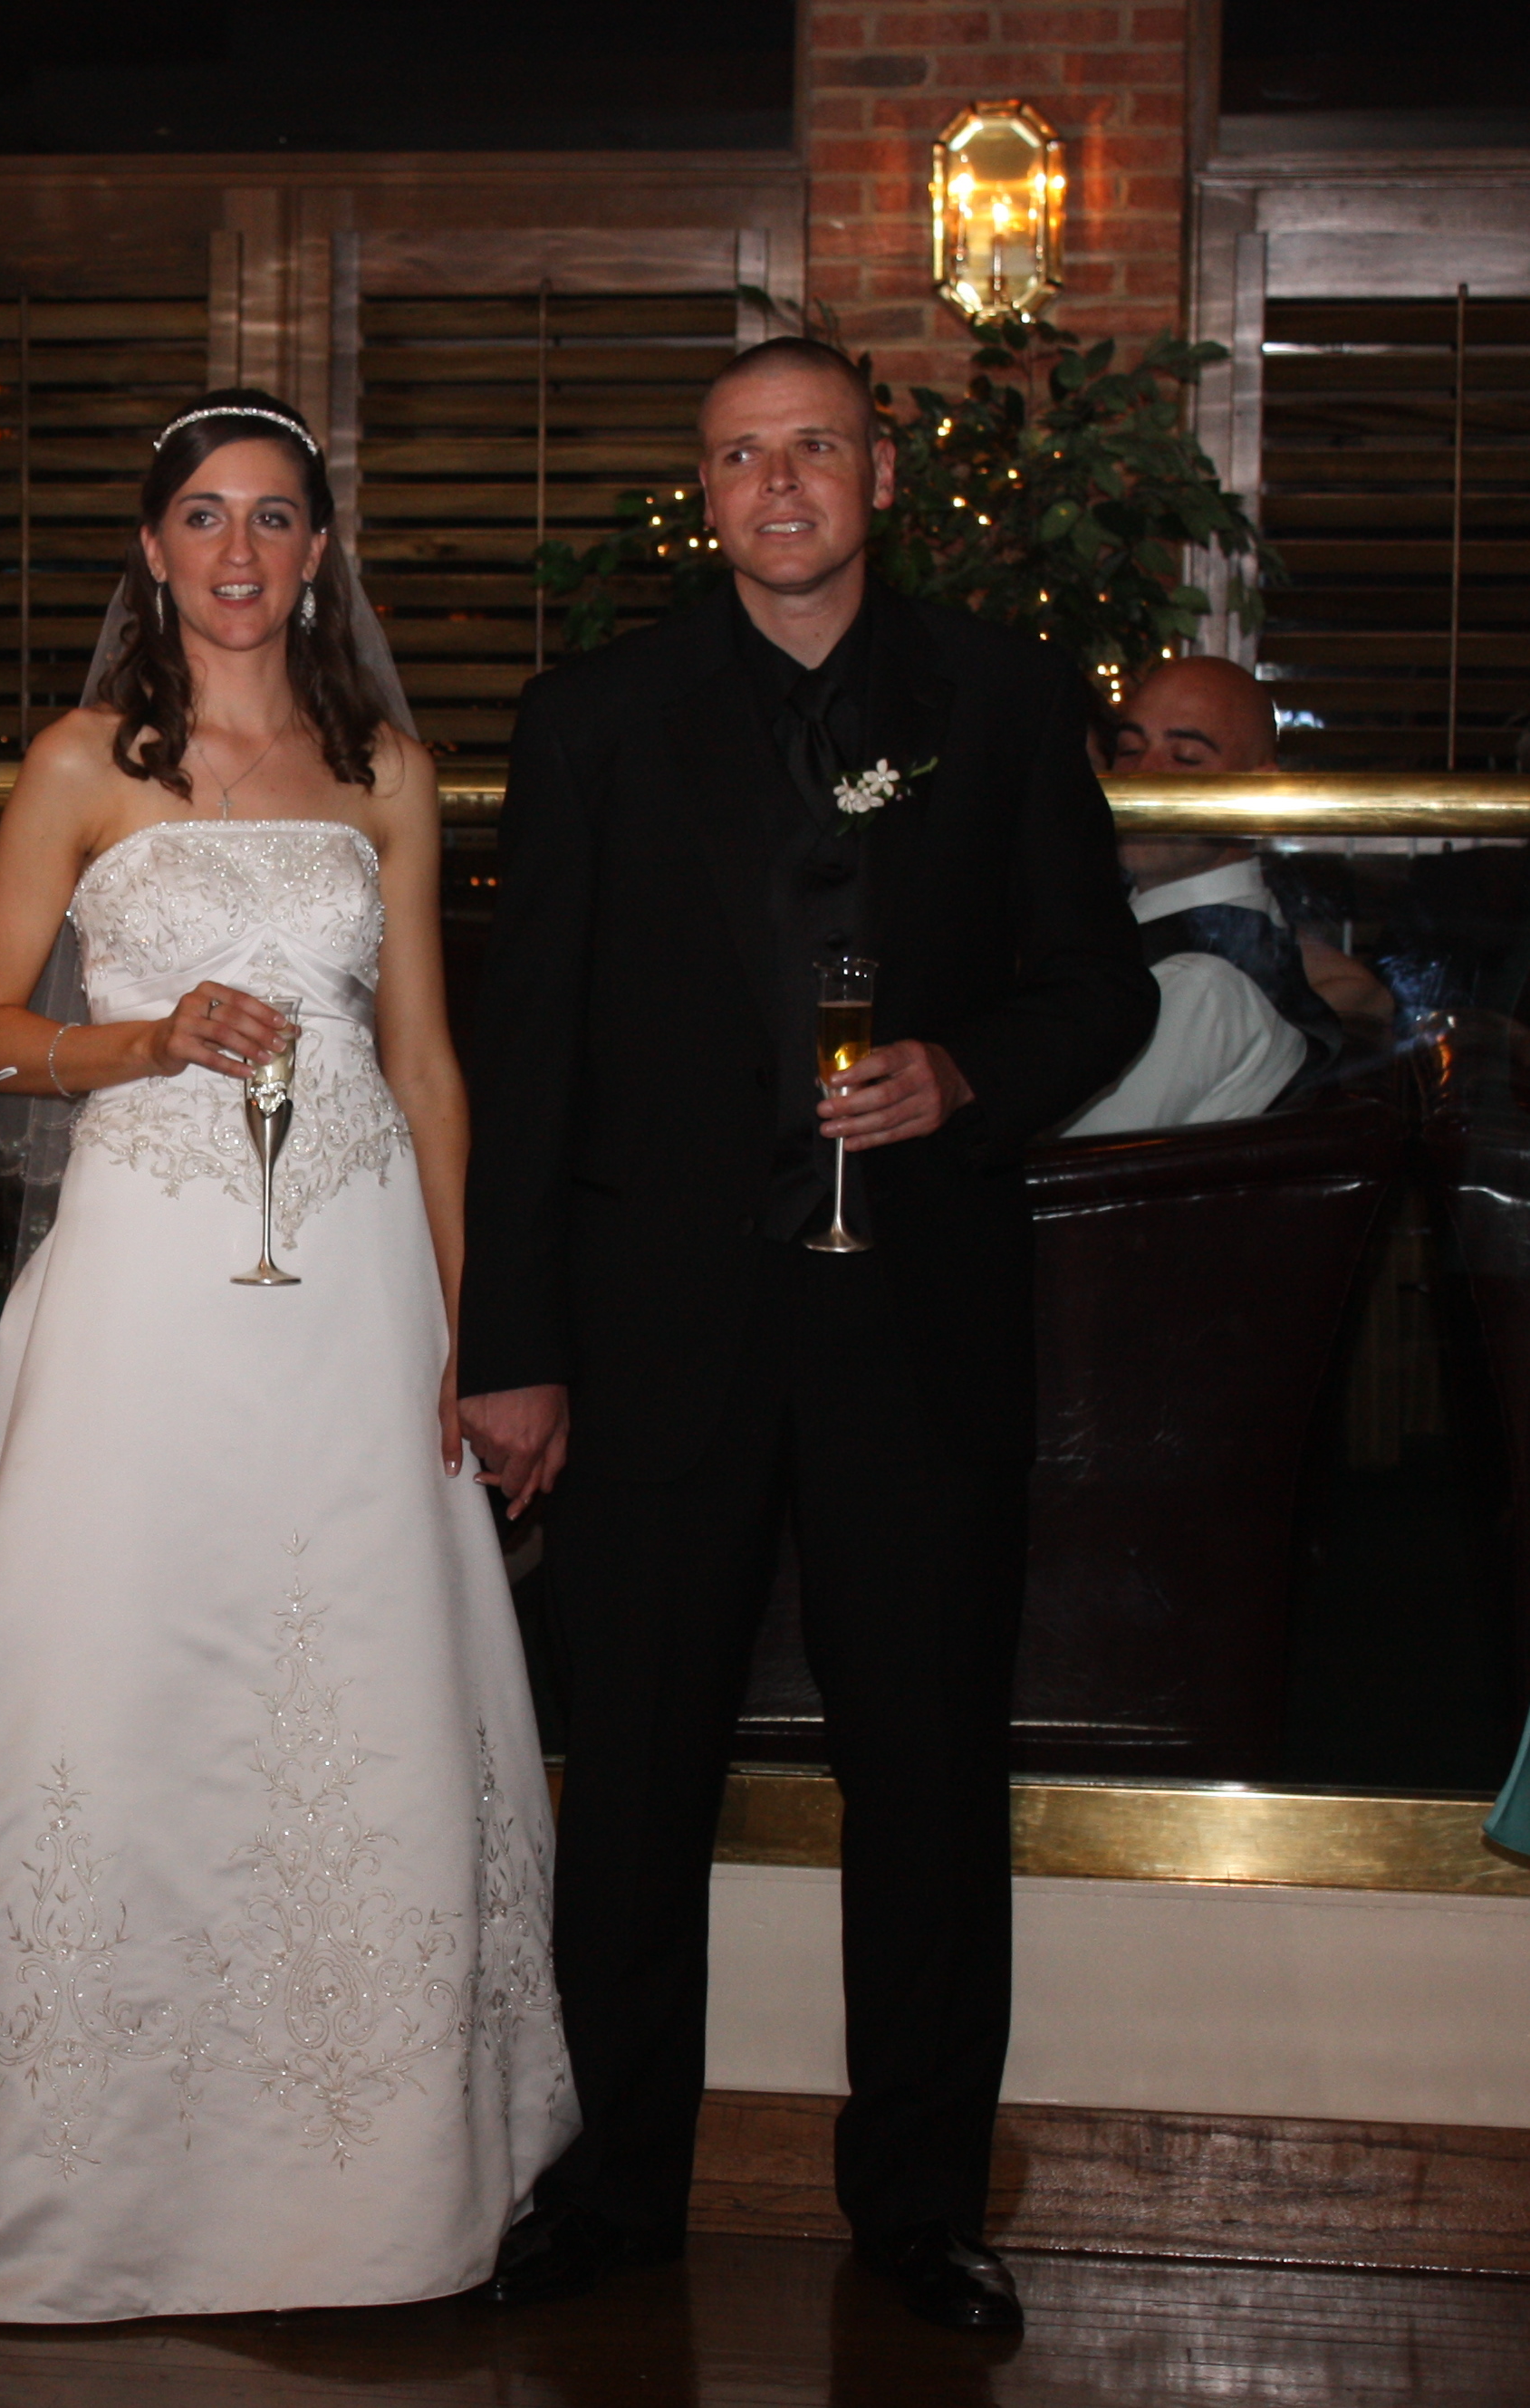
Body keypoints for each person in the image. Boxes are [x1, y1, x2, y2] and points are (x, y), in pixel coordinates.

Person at [0, 389, 577, 2320]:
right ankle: (67, 2160)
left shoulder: (387, 769)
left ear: (318, 552)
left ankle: (369, 2173)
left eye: (271, 519)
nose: (237, 553)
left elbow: (427, 1065)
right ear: (151, 548)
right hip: (149, 1273)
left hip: (352, 1278)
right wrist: (140, 1040)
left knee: (355, 1670)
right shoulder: (80, 760)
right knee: (119, 1660)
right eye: (202, 517)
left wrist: (475, 1324)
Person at [458, 338, 1156, 2336]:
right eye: (740, 457)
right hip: (654, 1332)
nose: (778, 486)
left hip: (914, 1329)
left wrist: (967, 1071)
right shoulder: (593, 718)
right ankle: (616, 2189)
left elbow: (1098, 988)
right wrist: (512, 1341)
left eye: (814, 448)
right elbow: (531, 1048)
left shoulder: (1001, 697)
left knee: (927, 1780)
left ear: (879, 474)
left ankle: (921, 2207)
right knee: (635, 1778)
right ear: (706, 493)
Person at [1110, 655, 1394, 1046]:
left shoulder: (1200, 984)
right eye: (1128, 750)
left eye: (1185, 757)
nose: (1143, 773)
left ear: (1257, 793)